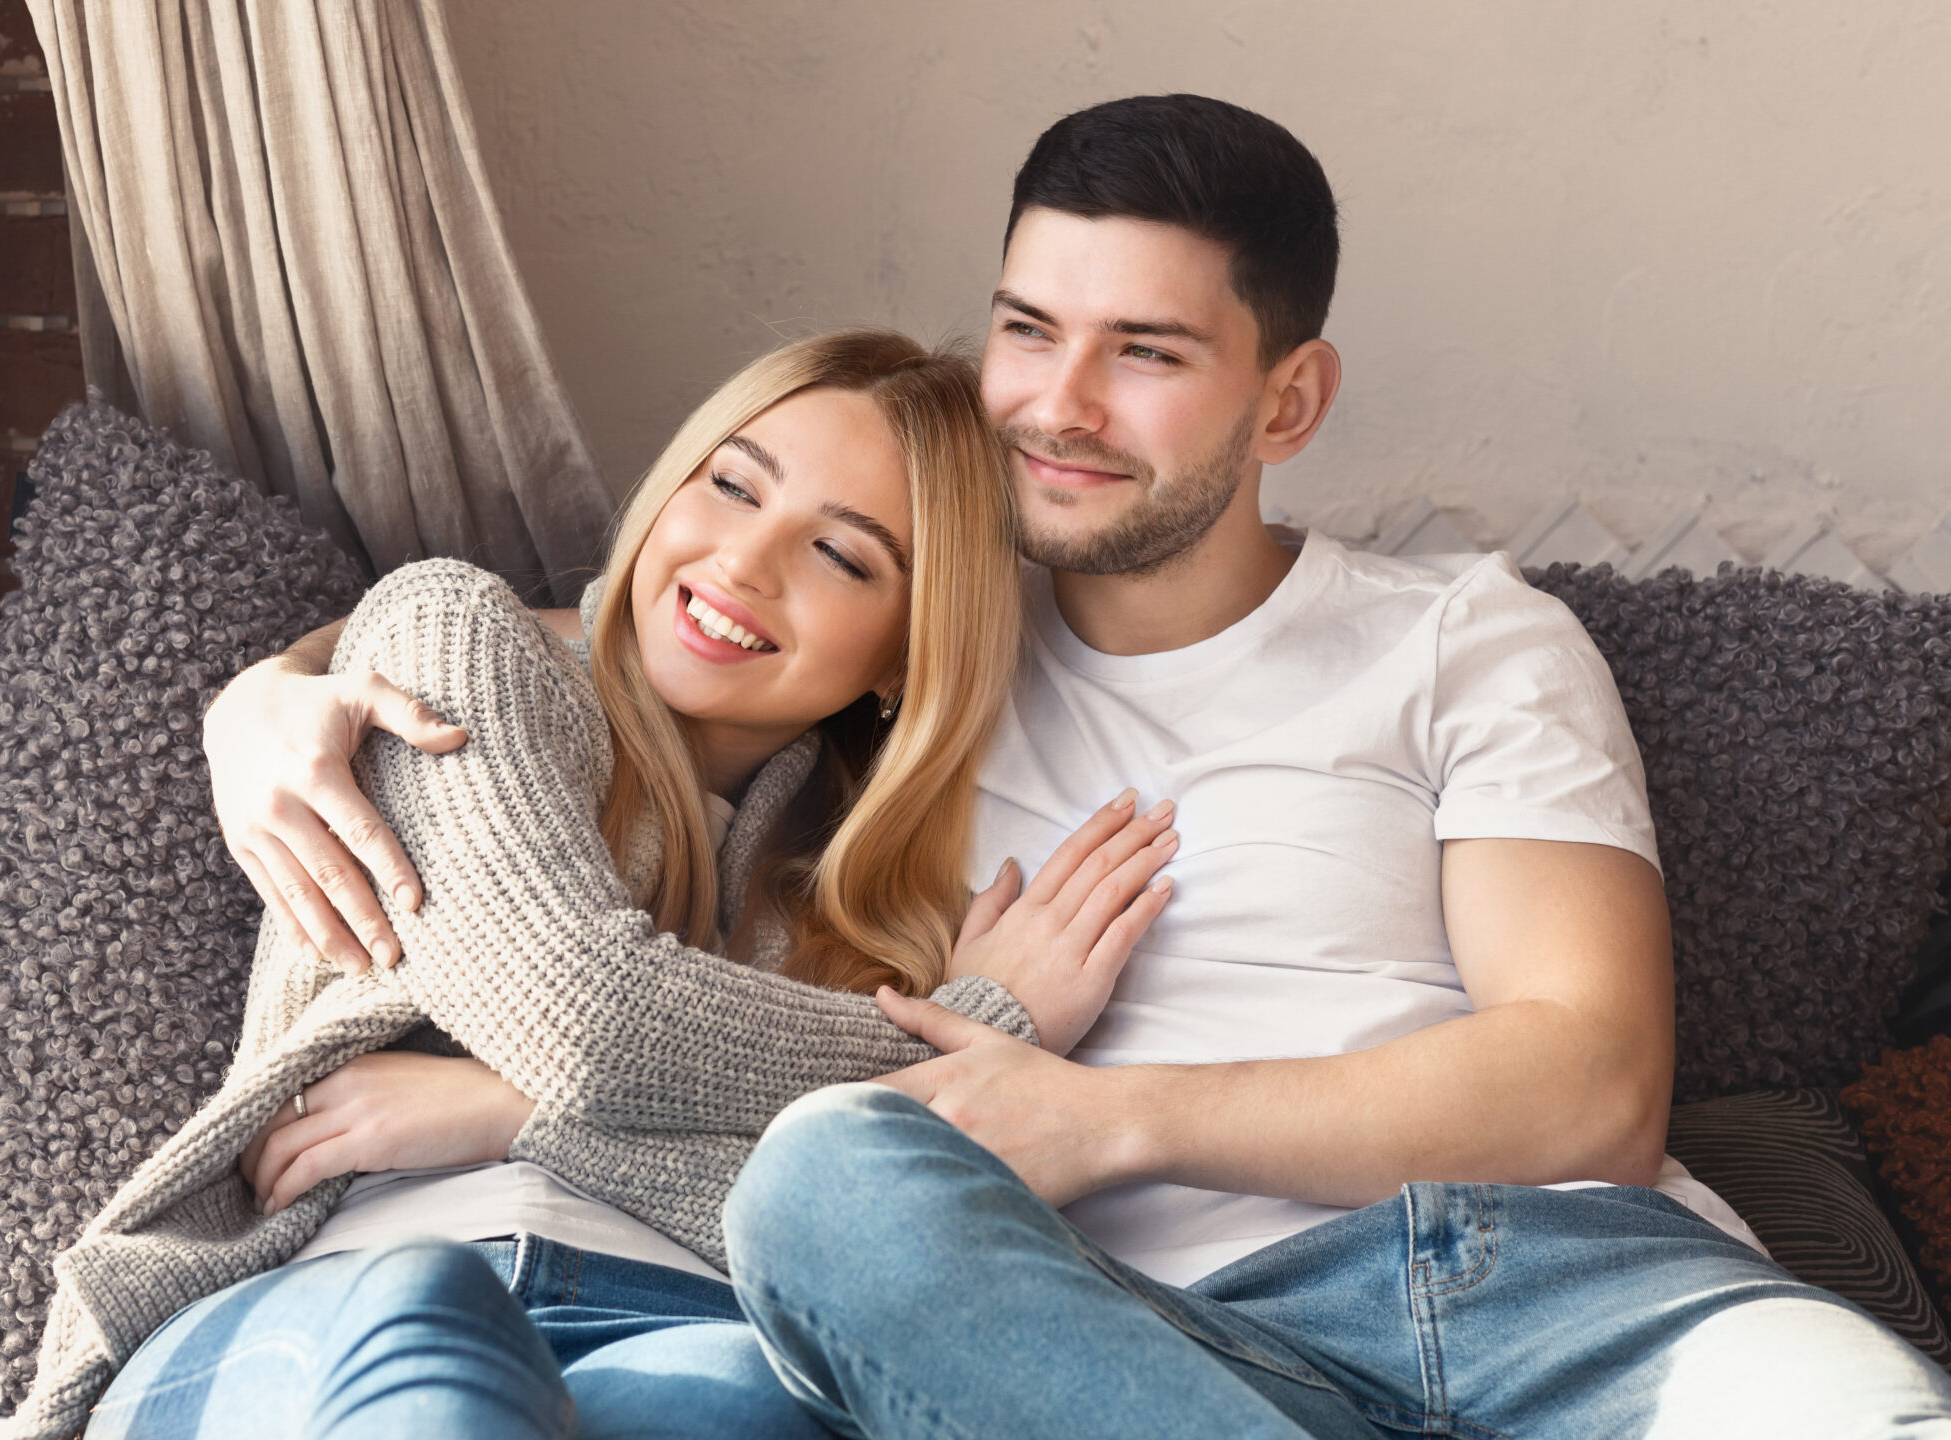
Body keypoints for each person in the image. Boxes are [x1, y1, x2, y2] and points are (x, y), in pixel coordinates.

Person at [217, 96, 1951, 1436]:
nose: (1056, 404)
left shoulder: (1463, 638)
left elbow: (1587, 1085)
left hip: (1545, 1289)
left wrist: (1095, 1117)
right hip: (1085, 1346)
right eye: (1030, 330)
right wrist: (272, 697)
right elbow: (611, 644)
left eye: (1147, 353)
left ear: (1288, 401)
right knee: (840, 1180)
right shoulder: (903, 651)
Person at [13, 330, 1175, 1440]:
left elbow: (862, 1230)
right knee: (429, 1328)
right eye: (731, 485)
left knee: (737, 1402)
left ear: (902, 660)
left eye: (839, 554)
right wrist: (972, 1039)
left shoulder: (871, 909)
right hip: (343, 1282)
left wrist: (504, 1111)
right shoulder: (455, 642)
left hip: (682, 1316)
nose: (743, 561)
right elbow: (589, 1016)